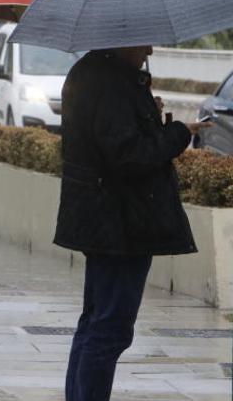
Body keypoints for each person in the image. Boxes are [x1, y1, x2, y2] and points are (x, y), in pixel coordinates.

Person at [56, 46, 211, 401]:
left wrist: (146, 118)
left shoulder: (95, 72)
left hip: (106, 218)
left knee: (95, 321)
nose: (150, 49)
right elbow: (129, 156)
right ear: (125, 36)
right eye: (145, 41)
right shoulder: (111, 82)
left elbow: (116, 140)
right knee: (109, 329)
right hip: (121, 223)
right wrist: (175, 134)